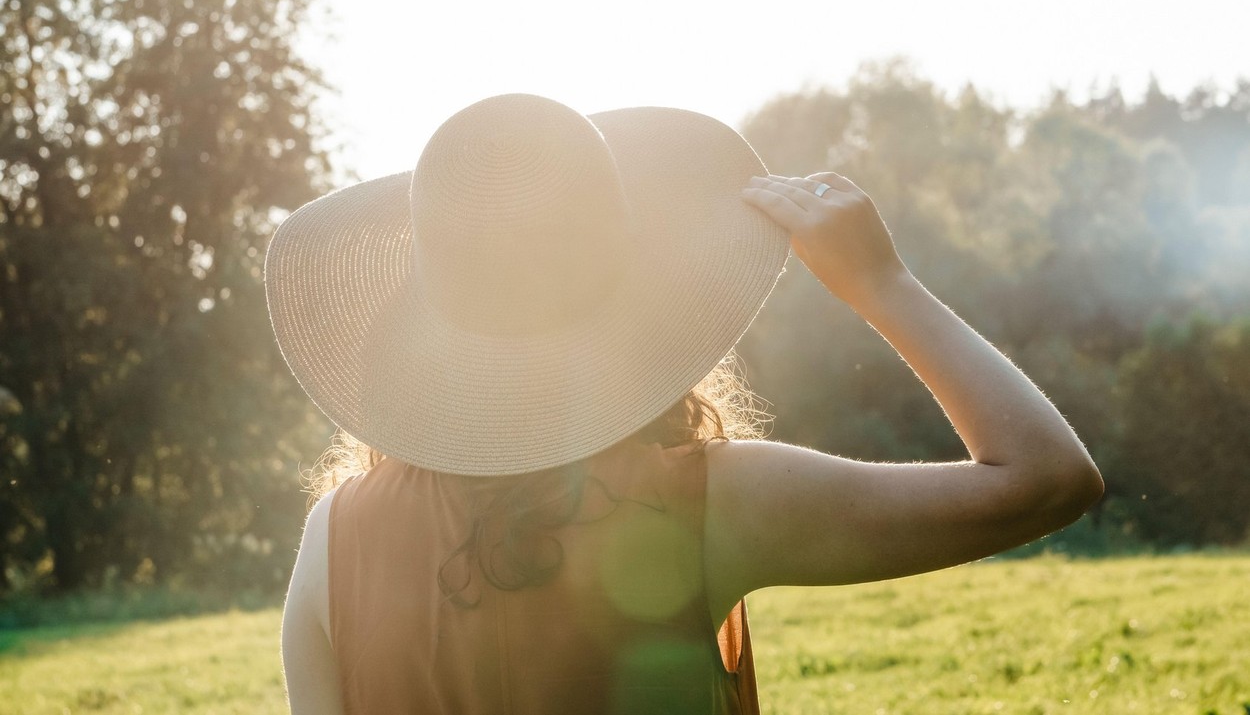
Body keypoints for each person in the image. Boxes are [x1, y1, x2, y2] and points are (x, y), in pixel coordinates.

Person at [269, 94, 1103, 714]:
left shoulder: (329, 544)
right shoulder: (706, 505)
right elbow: (1047, 477)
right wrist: (881, 283)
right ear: (641, 289)